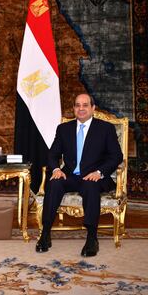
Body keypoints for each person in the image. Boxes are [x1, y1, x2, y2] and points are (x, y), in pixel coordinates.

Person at [36, 93, 123, 256]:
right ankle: (45, 233)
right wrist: (56, 169)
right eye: (77, 105)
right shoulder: (64, 129)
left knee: (90, 186)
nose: (81, 109)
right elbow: (52, 154)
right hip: (70, 176)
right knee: (54, 183)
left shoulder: (105, 128)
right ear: (74, 108)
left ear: (92, 108)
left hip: (95, 177)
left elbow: (116, 156)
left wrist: (99, 172)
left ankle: (92, 238)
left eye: (85, 105)